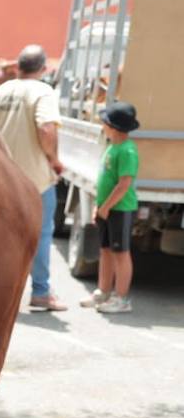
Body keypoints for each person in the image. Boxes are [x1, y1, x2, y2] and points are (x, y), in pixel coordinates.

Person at [0, 44, 66, 311]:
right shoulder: (42, 91)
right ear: (43, 69)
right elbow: (47, 127)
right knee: (40, 235)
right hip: (33, 179)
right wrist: (53, 159)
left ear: (17, 67)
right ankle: (40, 292)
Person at [81, 101, 140, 314]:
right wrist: (101, 206)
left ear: (113, 127)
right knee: (105, 250)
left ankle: (122, 298)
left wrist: (106, 206)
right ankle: (103, 291)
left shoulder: (127, 151)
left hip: (120, 209)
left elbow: (124, 184)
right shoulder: (112, 146)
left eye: (104, 123)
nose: (102, 126)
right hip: (107, 208)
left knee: (121, 253)